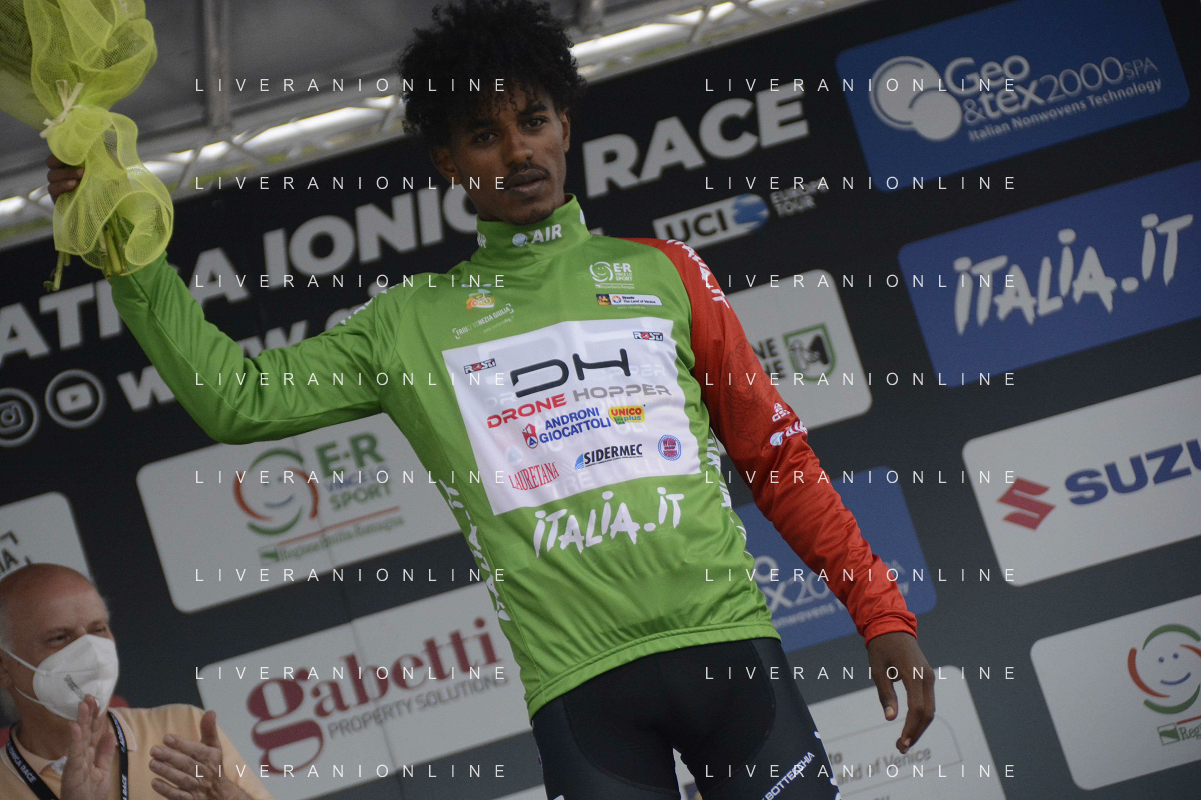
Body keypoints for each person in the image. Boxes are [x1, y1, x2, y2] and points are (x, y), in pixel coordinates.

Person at [46, 1, 935, 795]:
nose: (517, 151)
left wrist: (878, 611)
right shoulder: (409, 323)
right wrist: (128, 255)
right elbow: (237, 399)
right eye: (483, 134)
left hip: (734, 656)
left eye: (533, 120)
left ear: (564, 125)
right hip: (582, 694)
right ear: (447, 161)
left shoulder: (666, 274)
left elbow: (777, 460)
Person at [0, 564, 271, 800]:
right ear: (4, 667)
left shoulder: (184, 729)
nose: (90, 652)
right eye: (60, 637)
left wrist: (226, 795)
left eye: (98, 629)